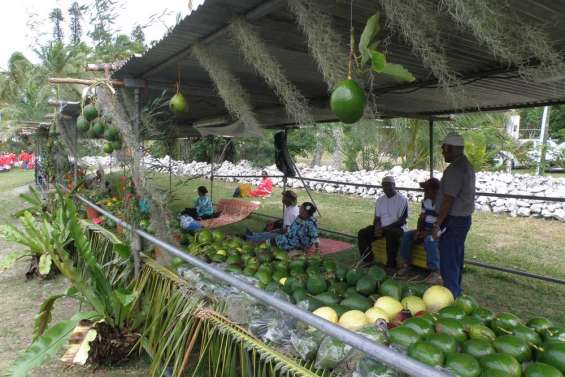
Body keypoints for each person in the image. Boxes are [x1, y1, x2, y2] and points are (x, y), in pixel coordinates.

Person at [432, 132, 476, 298]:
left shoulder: (455, 169)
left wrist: (437, 224)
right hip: (462, 220)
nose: (442, 152)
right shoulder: (466, 165)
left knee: (449, 259)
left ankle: (452, 296)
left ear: (450, 148)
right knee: (456, 256)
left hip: (453, 220)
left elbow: (448, 200)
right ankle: (456, 291)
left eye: (443, 149)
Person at [357, 176, 408, 269]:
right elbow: (377, 217)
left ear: (394, 185)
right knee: (363, 233)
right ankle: (367, 260)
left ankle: (391, 265)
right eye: (384, 186)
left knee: (392, 235)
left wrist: (384, 228)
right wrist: (377, 227)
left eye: (389, 185)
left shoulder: (402, 200)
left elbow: (401, 221)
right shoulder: (380, 200)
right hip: (382, 228)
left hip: (397, 228)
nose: (386, 188)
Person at [398, 178, 442, 284]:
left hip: (438, 232)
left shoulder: (442, 204)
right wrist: (418, 231)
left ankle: (435, 272)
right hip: (425, 230)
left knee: (429, 240)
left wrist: (427, 233)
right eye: (424, 189)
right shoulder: (425, 201)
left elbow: (441, 226)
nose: (424, 192)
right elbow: (421, 218)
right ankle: (407, 264)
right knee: (407, 236)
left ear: (436, 190)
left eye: (427, 189)